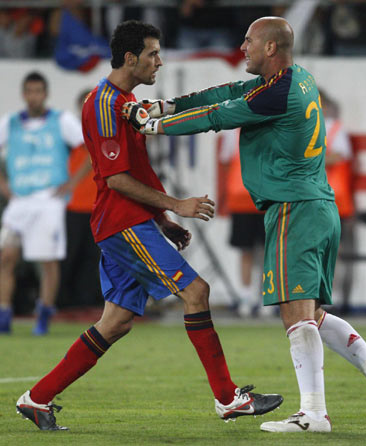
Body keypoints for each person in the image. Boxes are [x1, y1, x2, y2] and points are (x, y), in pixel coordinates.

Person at [123, 16, 366, 432]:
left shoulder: (277, 95)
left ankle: (313, 413)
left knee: (295, 313)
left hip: (295, 207)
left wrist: (153, 124)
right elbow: (227, 92)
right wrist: (168, 105)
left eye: (249, 41)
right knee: (310, 313)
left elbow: (219, 115)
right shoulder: (296, 79)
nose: (242, 47)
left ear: (271, 48)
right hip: (315, 205)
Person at [15, 20, 282, 431]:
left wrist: (164, 220)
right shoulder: (104, 104)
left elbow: (136, 169)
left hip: (132, 221)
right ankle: (229, 399)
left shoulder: (122, 102)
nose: (159, 61)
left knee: (116, 322)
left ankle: (37, 398)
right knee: (197, 291)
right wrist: (178, 204)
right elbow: (118, 179)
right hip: (122, 223)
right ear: (129, 58)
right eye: (153, 53)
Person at [0, 71, 88, 335]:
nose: (34, 96)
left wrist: (71, 184)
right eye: (29, 91)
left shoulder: (61, 121)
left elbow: (90, 148)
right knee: (6, 256)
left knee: (47, 261)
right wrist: (3, 186)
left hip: (49, 200)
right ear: (24, 94)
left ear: (45, 94)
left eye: (38, 91)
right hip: (19, 201)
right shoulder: (11, 123)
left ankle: (44, 311)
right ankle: (4, 312)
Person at [58, 89, 102, 308]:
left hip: (98, 204)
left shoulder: (106, 131)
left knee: (91, 257)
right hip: (74, 203)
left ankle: (84, 301)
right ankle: (62, 300)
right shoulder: (72, 134)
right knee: (69, 255)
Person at [218, 127, 266, 318]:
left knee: (267, 251)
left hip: (266, 199)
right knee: (245, 250)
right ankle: (246, 296)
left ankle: (266, 297)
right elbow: (227, 162)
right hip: (242, 200)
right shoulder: (233, 133)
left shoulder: (270, 127)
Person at [321, 90, 355, 313]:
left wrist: (310, 160)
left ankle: (335, 296)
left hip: (336, 201)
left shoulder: (335, 128)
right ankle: (324, 296)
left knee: (336, 252)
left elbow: (340, 155)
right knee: (322, 252)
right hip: (321, 201)